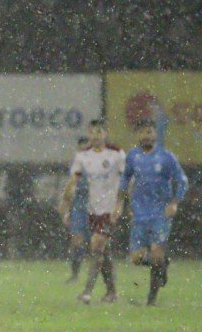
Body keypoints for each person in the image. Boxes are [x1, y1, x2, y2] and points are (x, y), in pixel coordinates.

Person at [117, 118, 188, 305]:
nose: (146, 135)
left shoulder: (166, 157)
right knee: (136, 258)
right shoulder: (133, 156)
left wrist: (174, 203)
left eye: (149, 132)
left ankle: (151, 299)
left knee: (156, 253)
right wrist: (123, 204)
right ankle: (162, 264)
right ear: (137, 135)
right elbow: (125, 179)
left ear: (155, 134)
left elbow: (182, 181)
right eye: (143, 132)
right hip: (139, 214)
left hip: (160, 214)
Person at [59, 120, 125, 304]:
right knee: (103, 251)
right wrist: (65, 203)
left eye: (99, 132)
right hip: (92, 209)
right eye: (92, 132)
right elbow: (73, 181)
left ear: (106, 133)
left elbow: (126, 181)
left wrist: (120, 205)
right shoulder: (83, 156)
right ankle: (112, 292)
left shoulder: (116, 153)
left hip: (109, 209)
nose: (95, 136)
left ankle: (87, 292)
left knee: (96, 247)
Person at [63, 137, 91, 283]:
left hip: (96, 208)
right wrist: (67, 210)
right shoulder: (75, 168)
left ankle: (100, 274)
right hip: (79, 208)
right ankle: (75, 274)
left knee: (98, 244)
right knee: (77, 242)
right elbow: (69, 191)